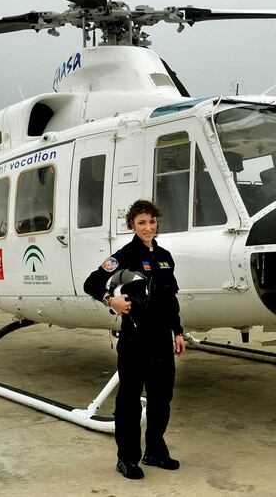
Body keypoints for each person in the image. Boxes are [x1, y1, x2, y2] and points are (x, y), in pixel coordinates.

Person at [84, 199, 186, 480]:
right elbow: (91, 283)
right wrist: (110, 300)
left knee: (161, 398)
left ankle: (155, 451)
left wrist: (178, 332)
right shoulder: (124, 255)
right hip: (135, 339)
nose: (148, 227)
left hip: (162, 339)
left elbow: (170, 300)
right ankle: (126, 458)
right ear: (132, 225)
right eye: (142, 223)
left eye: (152, 222)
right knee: (129, 401)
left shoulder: (165, 256)